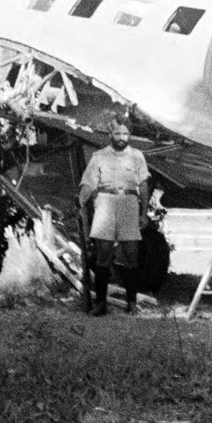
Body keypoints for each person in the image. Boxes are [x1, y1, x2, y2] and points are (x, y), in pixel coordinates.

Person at [78, 110, 150, 316]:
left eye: (125, 134)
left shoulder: (137, 157)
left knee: (131, 256)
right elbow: (89, 182)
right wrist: (81, 199)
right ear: (110, 134)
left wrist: (143, 213)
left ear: (129, 135)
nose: (121, 138)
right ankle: (101, 303)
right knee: (103, 255)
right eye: (117, 134)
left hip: (129, 204)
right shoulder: (98, 157)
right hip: (105, 204)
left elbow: (143, 186)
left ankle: (132, 302)